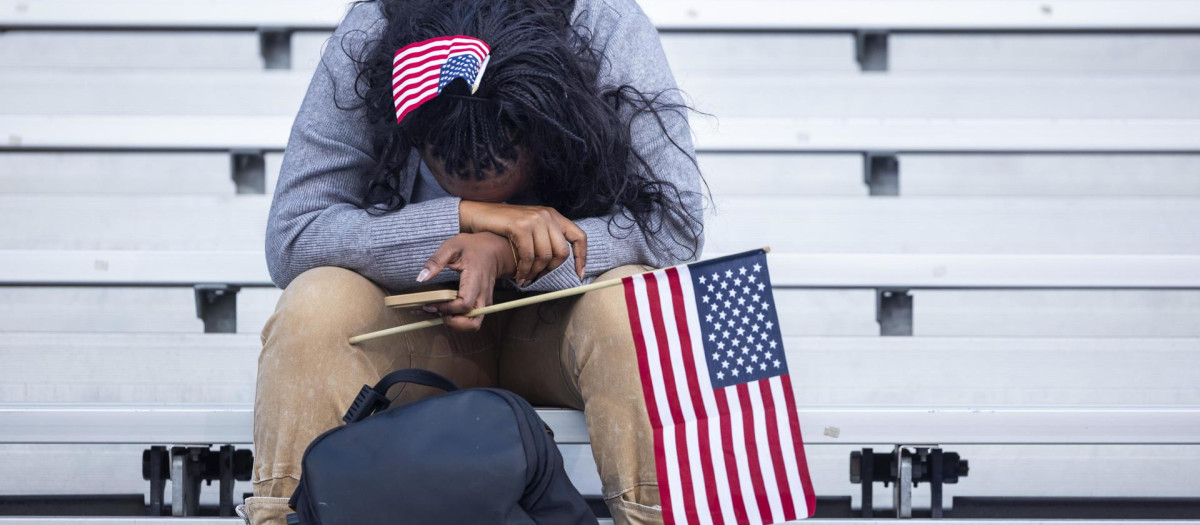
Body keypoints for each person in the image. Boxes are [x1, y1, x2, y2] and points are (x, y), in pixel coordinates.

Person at [240, 0, 704, 522]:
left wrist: (510, 252)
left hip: (559, 328)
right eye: (457, 178)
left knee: (631, 306)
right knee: (316, 303)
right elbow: (294, 231)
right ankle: (287, 516)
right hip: (423, 328)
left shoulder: (604, 24)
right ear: (411, 132)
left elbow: (675, 227)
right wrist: (461, 221)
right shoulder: (377, 28)